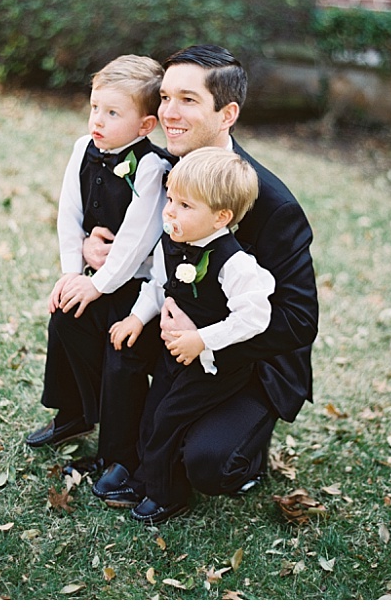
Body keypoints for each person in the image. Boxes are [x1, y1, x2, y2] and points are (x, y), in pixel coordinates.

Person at [88, 44, 318, 508]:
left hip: (248, 357)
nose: (168, 111)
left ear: (227, 113)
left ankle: (242, 453)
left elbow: (299, 320)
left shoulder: (275, 207)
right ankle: (122, 456)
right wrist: (92, 245)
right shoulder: (162, 167)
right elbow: (138, 241)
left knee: (209, 464)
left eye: (187, 100)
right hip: (174, 311)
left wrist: (208, 337)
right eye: (165, 97)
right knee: (108, 318)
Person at [99, 147, 274, 523]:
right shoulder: (171, 245)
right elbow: (158, 286)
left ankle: (169, 494)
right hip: (174, 353)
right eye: (171, 200)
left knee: (169, 420)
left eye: (185, 205)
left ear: (220, 217)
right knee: (153, 413)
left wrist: (204, 340)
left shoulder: (234, 262)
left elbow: (256, 317)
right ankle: (145, 480)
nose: (170, 211)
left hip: (214, 367)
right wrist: (136, 318)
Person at [25, 55, 170, 470]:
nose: (98, 120)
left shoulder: (149, 166)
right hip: (96, 274)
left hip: (137, 286)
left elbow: (138, 238)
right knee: (64, 316)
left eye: (112, 112)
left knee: (116, 347)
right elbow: (68, 212)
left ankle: (118, 452)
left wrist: (98, 284)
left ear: (145, 125)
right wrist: (73, 273)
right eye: (94, 108)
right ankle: (72, 414)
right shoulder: (83, 148)